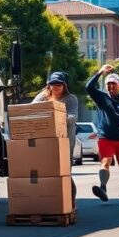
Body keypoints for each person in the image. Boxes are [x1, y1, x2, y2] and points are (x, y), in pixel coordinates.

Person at [86, 64, 119, 203]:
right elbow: (89, 87)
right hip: (106, 138)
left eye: (114, 84)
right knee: (105, 161)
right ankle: (103, 188)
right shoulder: (102, 98)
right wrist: (100, 72)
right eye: (109, 84)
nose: (111, 87)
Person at [33, 71, 80, 208]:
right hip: (46, 139)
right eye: (53, 84)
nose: (56, 87)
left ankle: (71, 203)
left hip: (65, 139)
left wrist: (56, 117)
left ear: (64, 85)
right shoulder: (43, 96)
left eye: (59, 84)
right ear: (49, 85)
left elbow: (73, 117)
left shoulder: (71, 99)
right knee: (48, 171)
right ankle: (51, 202)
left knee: (65, 172)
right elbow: (32, 108)